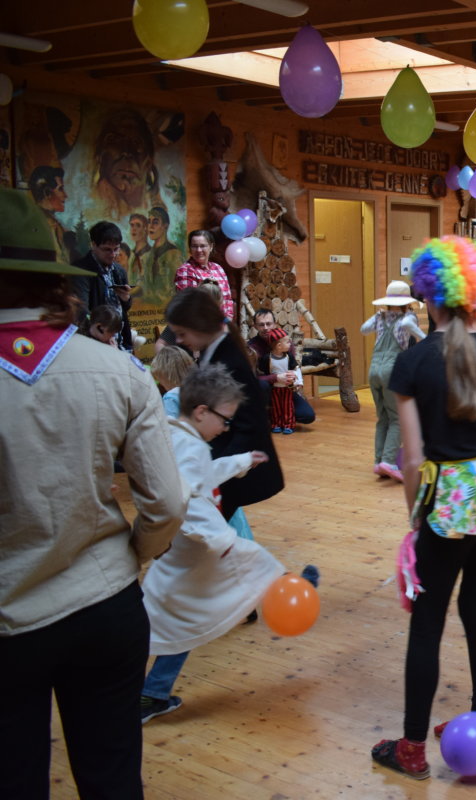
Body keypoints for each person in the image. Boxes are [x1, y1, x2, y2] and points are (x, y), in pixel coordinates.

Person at [0, 188, 185, 799]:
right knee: (112, 781)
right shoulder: (118, 370)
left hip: (9, 621)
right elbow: (166, 503)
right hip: (105, 606)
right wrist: (130, 557)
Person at [371, 235, 476, 779]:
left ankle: (412, 749)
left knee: (428, 623)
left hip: (444, 511)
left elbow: (412, 458)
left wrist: (416, 518)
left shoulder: (412, 362)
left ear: (428, 297)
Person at [140, 364, 291, 723]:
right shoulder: (189, 448)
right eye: (224, 420)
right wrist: (226, 542)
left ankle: (151, 693)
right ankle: (139, 694)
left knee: (178, 622)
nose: (226, 428)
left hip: (184, 556)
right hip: (191, 554)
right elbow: (188, 502)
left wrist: (240, 461)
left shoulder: (180, 438)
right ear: (201, 412)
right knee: (174, 622)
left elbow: (202, 477)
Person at [166, 287, 284, 519]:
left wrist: (223, 466)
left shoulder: (230, 360)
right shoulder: (214, 349)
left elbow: (251, 422)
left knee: (207, 524)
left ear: (199, 326)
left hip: (233, 460)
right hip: (222, 458)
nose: (178, 341)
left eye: (182, 333)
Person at [362, 281, 425, 479]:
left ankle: (378, 461)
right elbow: (409, 327)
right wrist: (425, 337)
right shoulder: (408, 317)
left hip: (374, 369)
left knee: (383, 418)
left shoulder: (380, 316)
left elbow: (364, 329)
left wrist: (377, 317)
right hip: (392, 369)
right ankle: (388, 462)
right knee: (397, 418)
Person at [248, 308, 317, 427]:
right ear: (255, 326)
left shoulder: (286, 342)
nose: (265, 328)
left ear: (275, 324)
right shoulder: (252, 347)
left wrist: (294, 378)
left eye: (269, 324)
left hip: (284, 390)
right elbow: (250, 379)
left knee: (308, 416)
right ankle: (267, 415)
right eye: (261, 325)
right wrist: (276, 378)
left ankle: (278, 415)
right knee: (262, 385)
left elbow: (293, 366)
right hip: (264, 392)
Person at [71, 220, 134, 350]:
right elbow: (81, 311)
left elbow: (125, 308)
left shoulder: (119, 270)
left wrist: (126, 298)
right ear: (94, 245)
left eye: (116, 249)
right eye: (107, 250)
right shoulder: (81, 271)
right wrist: (103, 334)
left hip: (120, 341)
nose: (113, 255)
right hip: (95, 342)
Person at [174, 229, 234, 320]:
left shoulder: (218, 268)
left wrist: (227, 321)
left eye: (203, 246)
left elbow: (228, 299)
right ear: (190, 248)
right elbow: (189, 306)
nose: (198, 250)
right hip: (201, 325)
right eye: (194, 246)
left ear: (211, 247)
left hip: (222, 324)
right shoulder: (186, 270)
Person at [258, 327, 301, 434]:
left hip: (287, 387)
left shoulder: (289, 356)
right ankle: (276, 424)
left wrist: (298, 381)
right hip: (275, 388)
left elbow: (296, 369)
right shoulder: (267, 358)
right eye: (287, 342)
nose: (290, 344)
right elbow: (262, 372)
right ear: (279, 346)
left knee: (288, 406)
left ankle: (288, 425)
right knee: (276, 406)